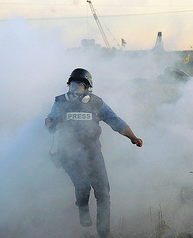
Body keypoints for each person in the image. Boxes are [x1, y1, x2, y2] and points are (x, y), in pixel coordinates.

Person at [44, 68, 143, 238]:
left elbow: (115, 120)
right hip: (69, 154)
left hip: (93, 154)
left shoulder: (97, 103)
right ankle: (83, 209)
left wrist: (132, 137)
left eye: (80, 86)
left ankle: (104, 233)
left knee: (103, 193)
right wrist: (50, 123)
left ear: (87, 88)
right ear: (69, 86)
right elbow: (50, 122)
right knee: (82, 186)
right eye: (73, 86)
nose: (75, 90)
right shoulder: (60, 102)